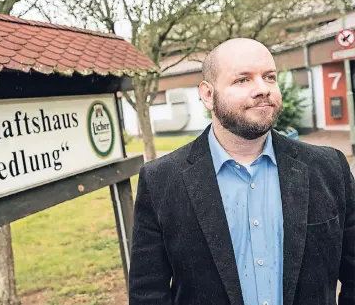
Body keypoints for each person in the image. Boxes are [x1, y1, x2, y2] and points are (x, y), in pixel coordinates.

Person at [128, 38, 355, 305]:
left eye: (269, 77)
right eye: (242, 80)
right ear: (208, 95)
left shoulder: (328, 169)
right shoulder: (161, 181)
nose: (262, 89)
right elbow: (148, 292)